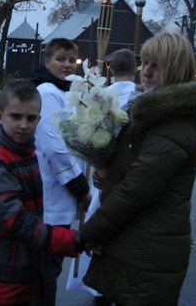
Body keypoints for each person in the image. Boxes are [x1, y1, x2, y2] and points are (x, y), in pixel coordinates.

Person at [81, 29, 196, 305]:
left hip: (147, 248)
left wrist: (89, 234)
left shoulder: (176, 120)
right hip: (134, 239)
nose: (145, 72)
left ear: (177, 70)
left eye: (156, 66)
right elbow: (133, 167)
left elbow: (138, 188)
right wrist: (107, 170)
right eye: (144, 63)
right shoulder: (148, 109)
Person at [0, 79, 83, 305]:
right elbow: (16, 220)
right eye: (15, 117)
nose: (23, 125)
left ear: (39, 119)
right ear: (0, 116)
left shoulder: (26, 152)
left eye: (31, 119)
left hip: (16, 271)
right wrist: (71, 240)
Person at [67, 48, 138, 300]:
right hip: (127, 178)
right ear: (136, 68)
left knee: (101, 225)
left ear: (109, 68)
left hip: (104, 175)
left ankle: (97, 283)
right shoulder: (138, 97)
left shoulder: (101, 95)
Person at [28, 37, 91, 305]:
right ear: (46, 61)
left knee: (48, 269)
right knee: (45, 272)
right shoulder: (46, 92)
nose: (67, 65)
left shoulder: (65, 91)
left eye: (71, 60)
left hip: (60, 199)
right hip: (52, 198)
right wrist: (80, 186)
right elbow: (55, 147)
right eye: (60, 59)